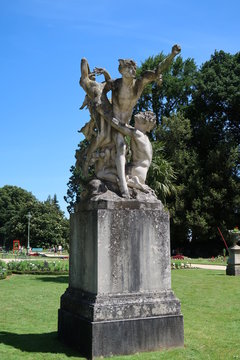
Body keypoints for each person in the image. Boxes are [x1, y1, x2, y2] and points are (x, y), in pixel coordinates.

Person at [105, 44, 181, 197]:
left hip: (124, 124)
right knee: (121, 147)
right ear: (121, 70)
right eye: (129, 68)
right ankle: (124, 188)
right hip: (114, 123)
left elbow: (158, 70)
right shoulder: (116, 84)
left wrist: (172, 55)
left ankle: (125, 182)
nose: (133, 71)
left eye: (134, 68)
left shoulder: (139, 84)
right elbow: (101, 92)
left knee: (122, 150)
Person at [111, 111, 156, 192]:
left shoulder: (137, 134)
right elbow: (127, 126)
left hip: (135, 170)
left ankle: (130, 182)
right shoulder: (145, 138)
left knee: (106, 174)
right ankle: (135, 183)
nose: (135, 124)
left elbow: (117, 125)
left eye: (137, 122)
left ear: (145, 124)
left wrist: (102, 112)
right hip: (141, 173)